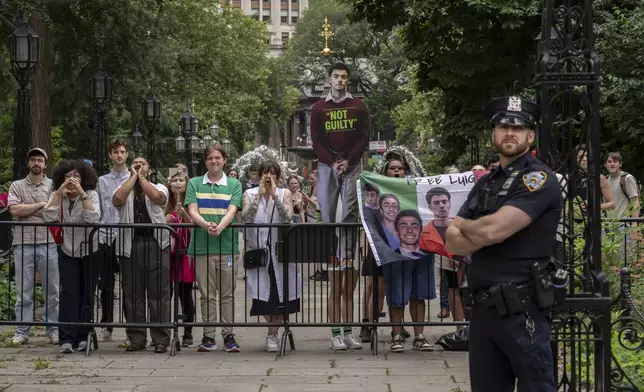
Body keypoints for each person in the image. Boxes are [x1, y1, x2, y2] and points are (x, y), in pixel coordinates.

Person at [445, 95, 562, 391]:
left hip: (522, 311)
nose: (510, 132)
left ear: (530, 136)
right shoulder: (487, 182)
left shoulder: (538, 179)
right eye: (503, 126)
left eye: (518, 127)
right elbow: (451, 240)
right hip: (484, 313)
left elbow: (491, 232)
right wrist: (472, 231)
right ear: (493, 133)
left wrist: (469, 229)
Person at [310, 62, 370, 349]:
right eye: (335, 76)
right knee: (329, 210)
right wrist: (331, 162)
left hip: (353, 163)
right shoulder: (319, 108)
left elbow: (364, 138)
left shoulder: (358, 107)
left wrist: (349, 161)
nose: (340, 80)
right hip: (326, 165)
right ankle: (333, 245)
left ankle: (347, 244)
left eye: (344, 77)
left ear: (348, 80)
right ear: (329, 79)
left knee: (349, 209)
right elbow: (316, 140)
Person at [185, 144, 243, 353]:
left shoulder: (234, 184)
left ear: (224, 160)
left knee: (227, 293)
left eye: (218, 158)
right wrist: (206, 225)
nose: (214, 161)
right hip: (202, 247)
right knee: (206, 294)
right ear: (206, 161)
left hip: (227, 246)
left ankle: (229, 335)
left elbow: (233, 209)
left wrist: (221, 226)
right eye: (210, 158)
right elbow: (192, 210)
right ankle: (208, 336)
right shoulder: (194, 183)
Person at [112, 156, 171, 353]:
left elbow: (156, 197)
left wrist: (142, 178)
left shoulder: (160, 187)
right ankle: (136, 338)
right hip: (131, 245)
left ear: (150, 170)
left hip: (155, 244)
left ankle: (160, 338)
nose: (138, 166)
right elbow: (117, 199)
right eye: (135, 163)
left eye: (143, 163)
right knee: (133, 294)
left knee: (159, 294)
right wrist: (133, 177)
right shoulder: (125, 188)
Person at [242, 160, 301, 352]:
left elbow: (287, 218)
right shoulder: (249, 194)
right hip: (260, 251)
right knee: (263, 297)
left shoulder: (284, 194)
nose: (269, 177)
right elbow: (247, 219)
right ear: (259, 175)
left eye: (273, 173)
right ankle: (272, 332)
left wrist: (275, 195)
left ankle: (271, 334)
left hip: (281, 252)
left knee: (281, 295)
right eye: (266, 173)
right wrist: (259, 195)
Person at [43, 159, 101, 354]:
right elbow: (48, 217)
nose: (71, 180)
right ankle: (67, 338)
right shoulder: (59, 196)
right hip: (67, 249)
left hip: (89, 250)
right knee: (69, 293)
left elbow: (93, 219)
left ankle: (84, 336)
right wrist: (59, 193)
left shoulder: (91, 194)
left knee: (86, 293)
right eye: (67, 176)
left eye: (75, 176)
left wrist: (82, 194)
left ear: (83, 178)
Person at [7, 148, 59, 345]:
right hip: (23, 242)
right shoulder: (17, 185)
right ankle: (22, 331)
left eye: (40, 160)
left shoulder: (53, 185)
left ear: (45, 164)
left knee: (52, 290)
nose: (36, 163)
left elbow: (53, 213)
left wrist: (29, 210)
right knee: (24, 291)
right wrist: (40, 205)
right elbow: (15, 210)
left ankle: (53, 329)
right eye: (33, 160)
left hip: (49, 242)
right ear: (28, 163)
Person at [383, 208, 436, 353]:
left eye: (414, 226)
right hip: (396, 258)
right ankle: (397, 336)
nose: (409, 230)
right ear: (396, 230)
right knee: (396, 296)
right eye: (403, 226)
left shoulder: (425, 249)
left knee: (419, 296)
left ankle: (419, 336)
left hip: (422, 256)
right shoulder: (393, 249)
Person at [96, 139, 130, 342]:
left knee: (128, 283)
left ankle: (130, 326)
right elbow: (100, 206)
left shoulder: (132, 177)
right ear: (111, 154)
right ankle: (106, 324)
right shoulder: (103, 181)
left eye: (123, 152)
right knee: (106, 284)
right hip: (106, 235)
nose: (119, 155)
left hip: (125, 234)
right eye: (116, 152)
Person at [419, 187, 465, 326]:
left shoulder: (461, 223)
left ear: (450, 203)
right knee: (453, 288)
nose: (442, 206)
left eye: (444, 202)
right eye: (437, 203)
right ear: (430, 207)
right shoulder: (426, 231)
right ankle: (460, 326)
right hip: (447, 261)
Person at [165, 170, 196, 347]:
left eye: (181, 180)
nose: (177, 183)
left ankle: (188, 332)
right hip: (169, 254)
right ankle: (167, 330)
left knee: (185, 295)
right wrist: (164, 218)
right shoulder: (166, 203)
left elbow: (194, 224)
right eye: (174, 180)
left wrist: (184, 214)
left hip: (185, 254)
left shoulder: (191, 202)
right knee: (166, 294)